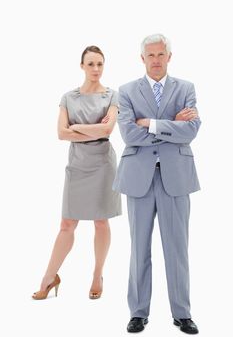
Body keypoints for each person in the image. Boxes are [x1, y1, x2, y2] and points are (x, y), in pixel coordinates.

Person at [113, 34, 201, 334]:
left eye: (161, 54)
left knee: (177, 248)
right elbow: (128, 135)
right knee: (139, 247)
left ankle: (182, 313)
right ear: (142, 58)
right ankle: (138, 312)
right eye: (150, 55)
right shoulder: (125, 92)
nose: (155, 60)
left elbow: (190, 130)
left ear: (169, 56)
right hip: (138, 177)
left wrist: (148, 123)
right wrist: (170, 125)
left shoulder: (186, 88)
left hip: (176, 176)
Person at [32, 45, 121, 300]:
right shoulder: (68, 98)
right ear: (82, 65)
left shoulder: (112, 96)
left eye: (100, 64)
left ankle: (97, 274)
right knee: (66, 224)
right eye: (91, 64)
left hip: (103, 165)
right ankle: (49, 277)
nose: (95, 69)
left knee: (101, 221)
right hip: (77, 165)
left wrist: (78, 126)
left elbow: (107, 131)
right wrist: (91, 128)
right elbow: (61, 133)